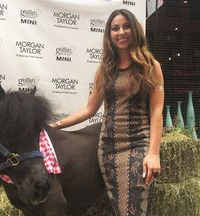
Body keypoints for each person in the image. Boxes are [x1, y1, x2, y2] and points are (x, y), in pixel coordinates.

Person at [51, 9, 164, 216]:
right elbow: (89, 109)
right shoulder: (105, 69)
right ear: (109, 35)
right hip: (108, 149)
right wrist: (57, 125)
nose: (121, 32)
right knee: (119, 209)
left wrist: (153, 153)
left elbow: (156, 112)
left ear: (135, 29)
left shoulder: (150, 66)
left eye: (126, 26)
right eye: (115, 28)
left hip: (138, 145)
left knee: (134, 211)